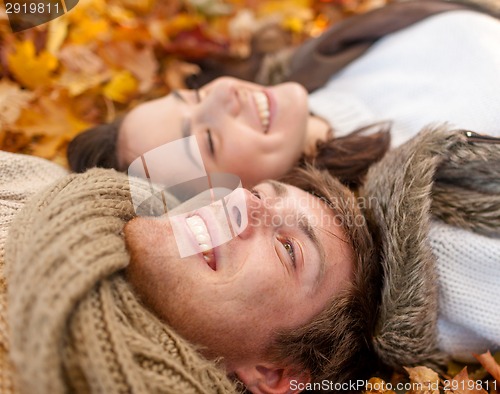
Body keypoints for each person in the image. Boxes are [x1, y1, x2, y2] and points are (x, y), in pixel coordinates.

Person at [0, 149, 381, 394]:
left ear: (273, 374)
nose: (243, 201)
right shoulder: (35, 181)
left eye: (288, 248)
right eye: (260, 194)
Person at [67, 0, 500, 188]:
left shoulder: (324, 60)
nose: (222, 98)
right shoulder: (420, 211)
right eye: (209, 140)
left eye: (194, 98)